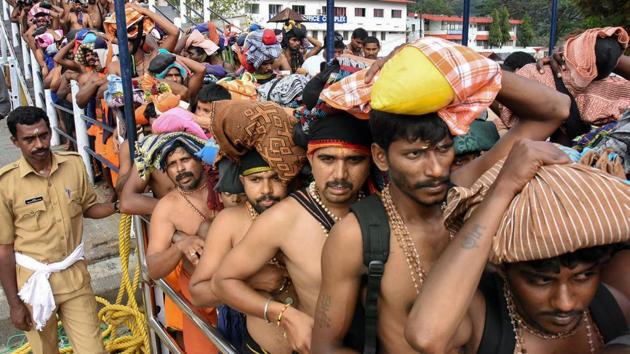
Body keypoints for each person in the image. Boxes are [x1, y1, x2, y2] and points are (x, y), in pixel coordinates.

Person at [311, 40, 572, 352]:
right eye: (415, 154)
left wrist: (447, 62)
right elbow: (326, 346)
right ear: (381, 157)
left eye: (443, 149)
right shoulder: (358, 236)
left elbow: (555, 109)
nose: (435, 169)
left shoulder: (465, 190)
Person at [405, 145, 630, 354]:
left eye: (582, 276)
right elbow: (425, 336)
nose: (565, 303)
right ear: (503, 268)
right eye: (541, 281)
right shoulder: (482, 320)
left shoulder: (615, 309)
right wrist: (503, 189)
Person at [212, 113, 373, 353]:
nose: (340, 174)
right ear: (310, 157)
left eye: (354, 160)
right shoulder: (284, 218)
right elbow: (222, 282)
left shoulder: (383, 209)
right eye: (327, 159)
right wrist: (284, 315)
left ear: (373, 160)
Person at [0, 106, 118, 353]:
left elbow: (89, 208)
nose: (39, 144)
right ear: (15, 141)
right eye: (29, 139)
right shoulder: (6, 185)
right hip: (33, 285)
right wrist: (14, 303)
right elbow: (4, 250)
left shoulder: (73, 165)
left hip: (74, 277)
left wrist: (117, 206)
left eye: (43, 135)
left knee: (93, 349)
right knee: (46, 350)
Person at [189, 150, 293, 353]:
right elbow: (198, 293)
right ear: (243, 182)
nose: (266, 190)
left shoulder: (305, 214)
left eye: (275, 178)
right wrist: (252, 281)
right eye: (256, 180)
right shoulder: (230, 222)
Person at [145, 133, 219, 354]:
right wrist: (180, 245)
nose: (180, 169)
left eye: (185, 160)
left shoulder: (223, 186)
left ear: (199, 159)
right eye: (172, 165)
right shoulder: (167, 208)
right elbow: (154, 267)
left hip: (241, 291)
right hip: (199, 302)